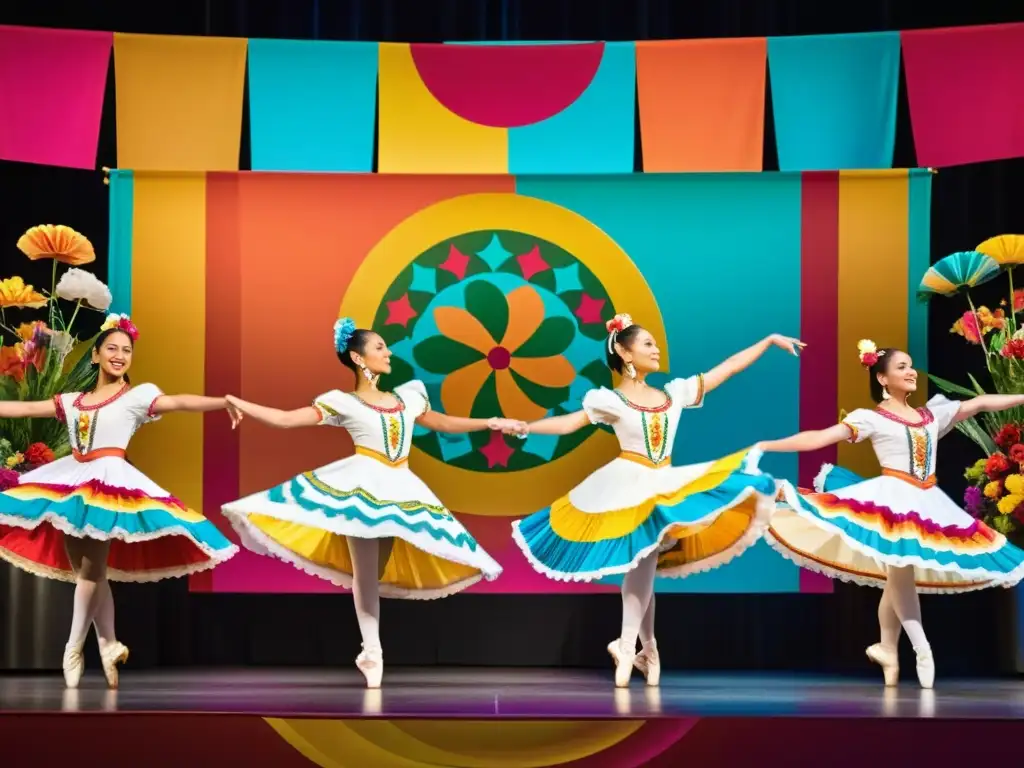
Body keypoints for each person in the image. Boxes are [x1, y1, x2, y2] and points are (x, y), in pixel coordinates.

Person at [508, 313, 803, 687]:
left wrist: (767, 340)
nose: (656, 348)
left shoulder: (673, 393)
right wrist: (527, 427)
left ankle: (640, 648)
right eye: (647, 343)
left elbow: (724, 370)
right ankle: (634, 647)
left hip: (662, 479)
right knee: (643, 557)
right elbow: (568, 424)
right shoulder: (609, 400)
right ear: (625, 352)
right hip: (627, 482)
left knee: (644, 560)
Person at [221, 318, 516, 689]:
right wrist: (238, 401)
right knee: (365, 573)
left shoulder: (408, 397)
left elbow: (439, 422)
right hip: (361, 486)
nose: (388, 352)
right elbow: (284, 419)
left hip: (402, 486)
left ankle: (370, 649)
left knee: (374, 573)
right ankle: (372, 650)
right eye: (379, 348)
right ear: (359, 358)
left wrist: (487, 422)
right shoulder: (343, 402)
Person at [758, 340, 1024, 689]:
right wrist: (765, 445)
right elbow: (820, 437)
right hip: (892, 500)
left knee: (898, 576)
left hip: (928, 500)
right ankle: (922, 648)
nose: (911, 371)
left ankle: (887, 647)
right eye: (901, 367)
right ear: (882, 378)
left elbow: (980, 403)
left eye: (911, 365)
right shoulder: (870, 418)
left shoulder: (931, 415)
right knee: (900, 571)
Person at [0, 314, 240, 689]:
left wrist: (221, 400)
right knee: (88, 573)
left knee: (93, 570)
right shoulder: (74, 401)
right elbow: (26, 409)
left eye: (126, 351)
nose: (119, 355)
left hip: (109, 481)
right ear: (94, 355)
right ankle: (108, 643)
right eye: (111, 348)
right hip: (71, 480)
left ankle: (73, 646)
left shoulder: (137, 396)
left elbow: (177, 401)